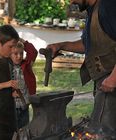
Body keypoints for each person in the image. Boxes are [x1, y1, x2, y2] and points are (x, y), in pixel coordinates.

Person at [47, 0, 116, 135]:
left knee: (103, 132)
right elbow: (88, 44)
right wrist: (61, 45)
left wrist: (114, 77)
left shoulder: (108, 6)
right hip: (105, 82)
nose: (72, 1)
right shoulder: (92, 11)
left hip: (112, 80)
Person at [10, 39, 38, 129]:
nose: (19, 56)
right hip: (11, 108)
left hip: (24, 106)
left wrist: (23, 42)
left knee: (24, 131)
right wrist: (10, 93)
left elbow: (33, 52)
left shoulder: (26, 65)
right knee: (13, 132)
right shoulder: (6, 67)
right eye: (15, 54)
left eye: (21, 53)